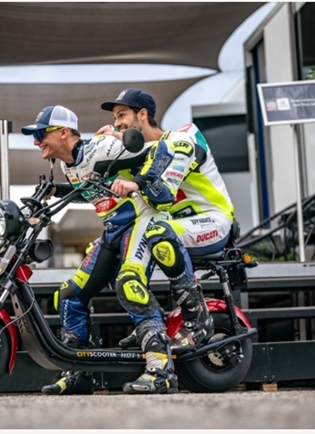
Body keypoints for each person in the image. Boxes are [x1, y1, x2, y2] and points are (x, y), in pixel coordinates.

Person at [21, 105, 179, 395]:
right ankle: (79, 375)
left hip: (141, 221)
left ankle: (161, 372)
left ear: (64, 132)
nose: (36, 141)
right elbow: (92, 193)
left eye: (41, 134)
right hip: (113, 229)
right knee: (70, 295)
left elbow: (164, 150)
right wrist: (58, 191)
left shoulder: (102, 147)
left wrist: (137, 183)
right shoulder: (68, 165)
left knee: (129, 284)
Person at [100, 88, 236, 352]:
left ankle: (197, 319)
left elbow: (166, 177)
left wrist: (137, 182)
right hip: (177, 227)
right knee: (125, 243)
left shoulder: (184, 137)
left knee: (157, 232)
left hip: (213, 221)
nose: (117, 124)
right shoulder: (139, 155)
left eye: (122, 115)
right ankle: (151, 324)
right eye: (115, 119)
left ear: (143, 114)